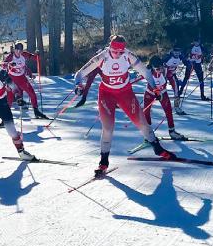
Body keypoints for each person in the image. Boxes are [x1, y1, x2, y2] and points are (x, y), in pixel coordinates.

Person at [74, 35, 175, 175]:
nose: (117, 54)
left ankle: (157, 148)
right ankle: (103, 162)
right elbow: (79, 74)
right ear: (110, 47)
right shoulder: (102, 57)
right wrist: (79, 85)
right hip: (106, 94)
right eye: (115, 51)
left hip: (125, 93)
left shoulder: (128, 55)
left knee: (141, 123)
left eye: (121, 52)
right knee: (108, 128)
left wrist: (155, 88)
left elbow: (146, 72)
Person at [145, 56, 187, 141]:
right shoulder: (148, 71)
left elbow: (173, 81)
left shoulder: (166, 70)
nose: (159, 69)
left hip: (162, 93)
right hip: (150, 93)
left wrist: (176, 94)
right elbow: (135, 79)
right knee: (146, 112)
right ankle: (148, 134)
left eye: (160, 67)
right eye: (156, 68)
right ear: (152, 66)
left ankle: (172, 132)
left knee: (168, 111)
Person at [3, 42, 49, 120]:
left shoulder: (24, 54)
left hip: (22, 78)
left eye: (20, 50)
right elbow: (3, 65)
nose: (18, 52)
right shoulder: (11, 56)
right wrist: (9, 64)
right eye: (17, 50)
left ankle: (36, 111)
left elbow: (35, 58)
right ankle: (5, 118)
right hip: (12, 79)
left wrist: (37, 55)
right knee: (10, 98)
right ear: (14, 50)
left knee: (32, 93)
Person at [163, 46, 186, 113]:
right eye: (175, 52)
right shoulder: (169, 58)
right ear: (173, 52)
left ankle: (176, 107)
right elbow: (162, 64)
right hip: (164, 75)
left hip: (172, 75)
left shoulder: (180, 57)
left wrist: (189, 63)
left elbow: (185, 61)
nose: (176, 54)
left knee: (176, 89)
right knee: (161, 90)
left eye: (178, 53)